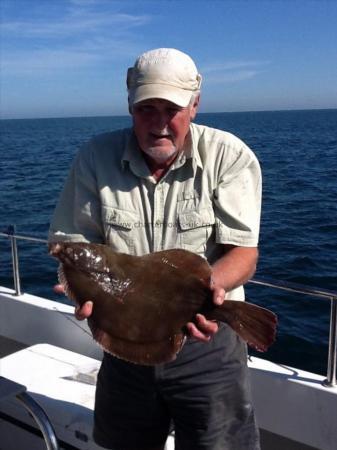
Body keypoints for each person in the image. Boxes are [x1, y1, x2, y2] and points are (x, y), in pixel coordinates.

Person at [49, 48, 262, 450]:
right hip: (125, 343)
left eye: (172, 108)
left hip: (209, 346)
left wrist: (208, 294)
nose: (159, 123)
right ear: (129, 105)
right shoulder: (95, 157)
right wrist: (78, 291)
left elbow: (243, 251)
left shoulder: (229, 156)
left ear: (195, 105)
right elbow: (72, 243)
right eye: (147, 108)